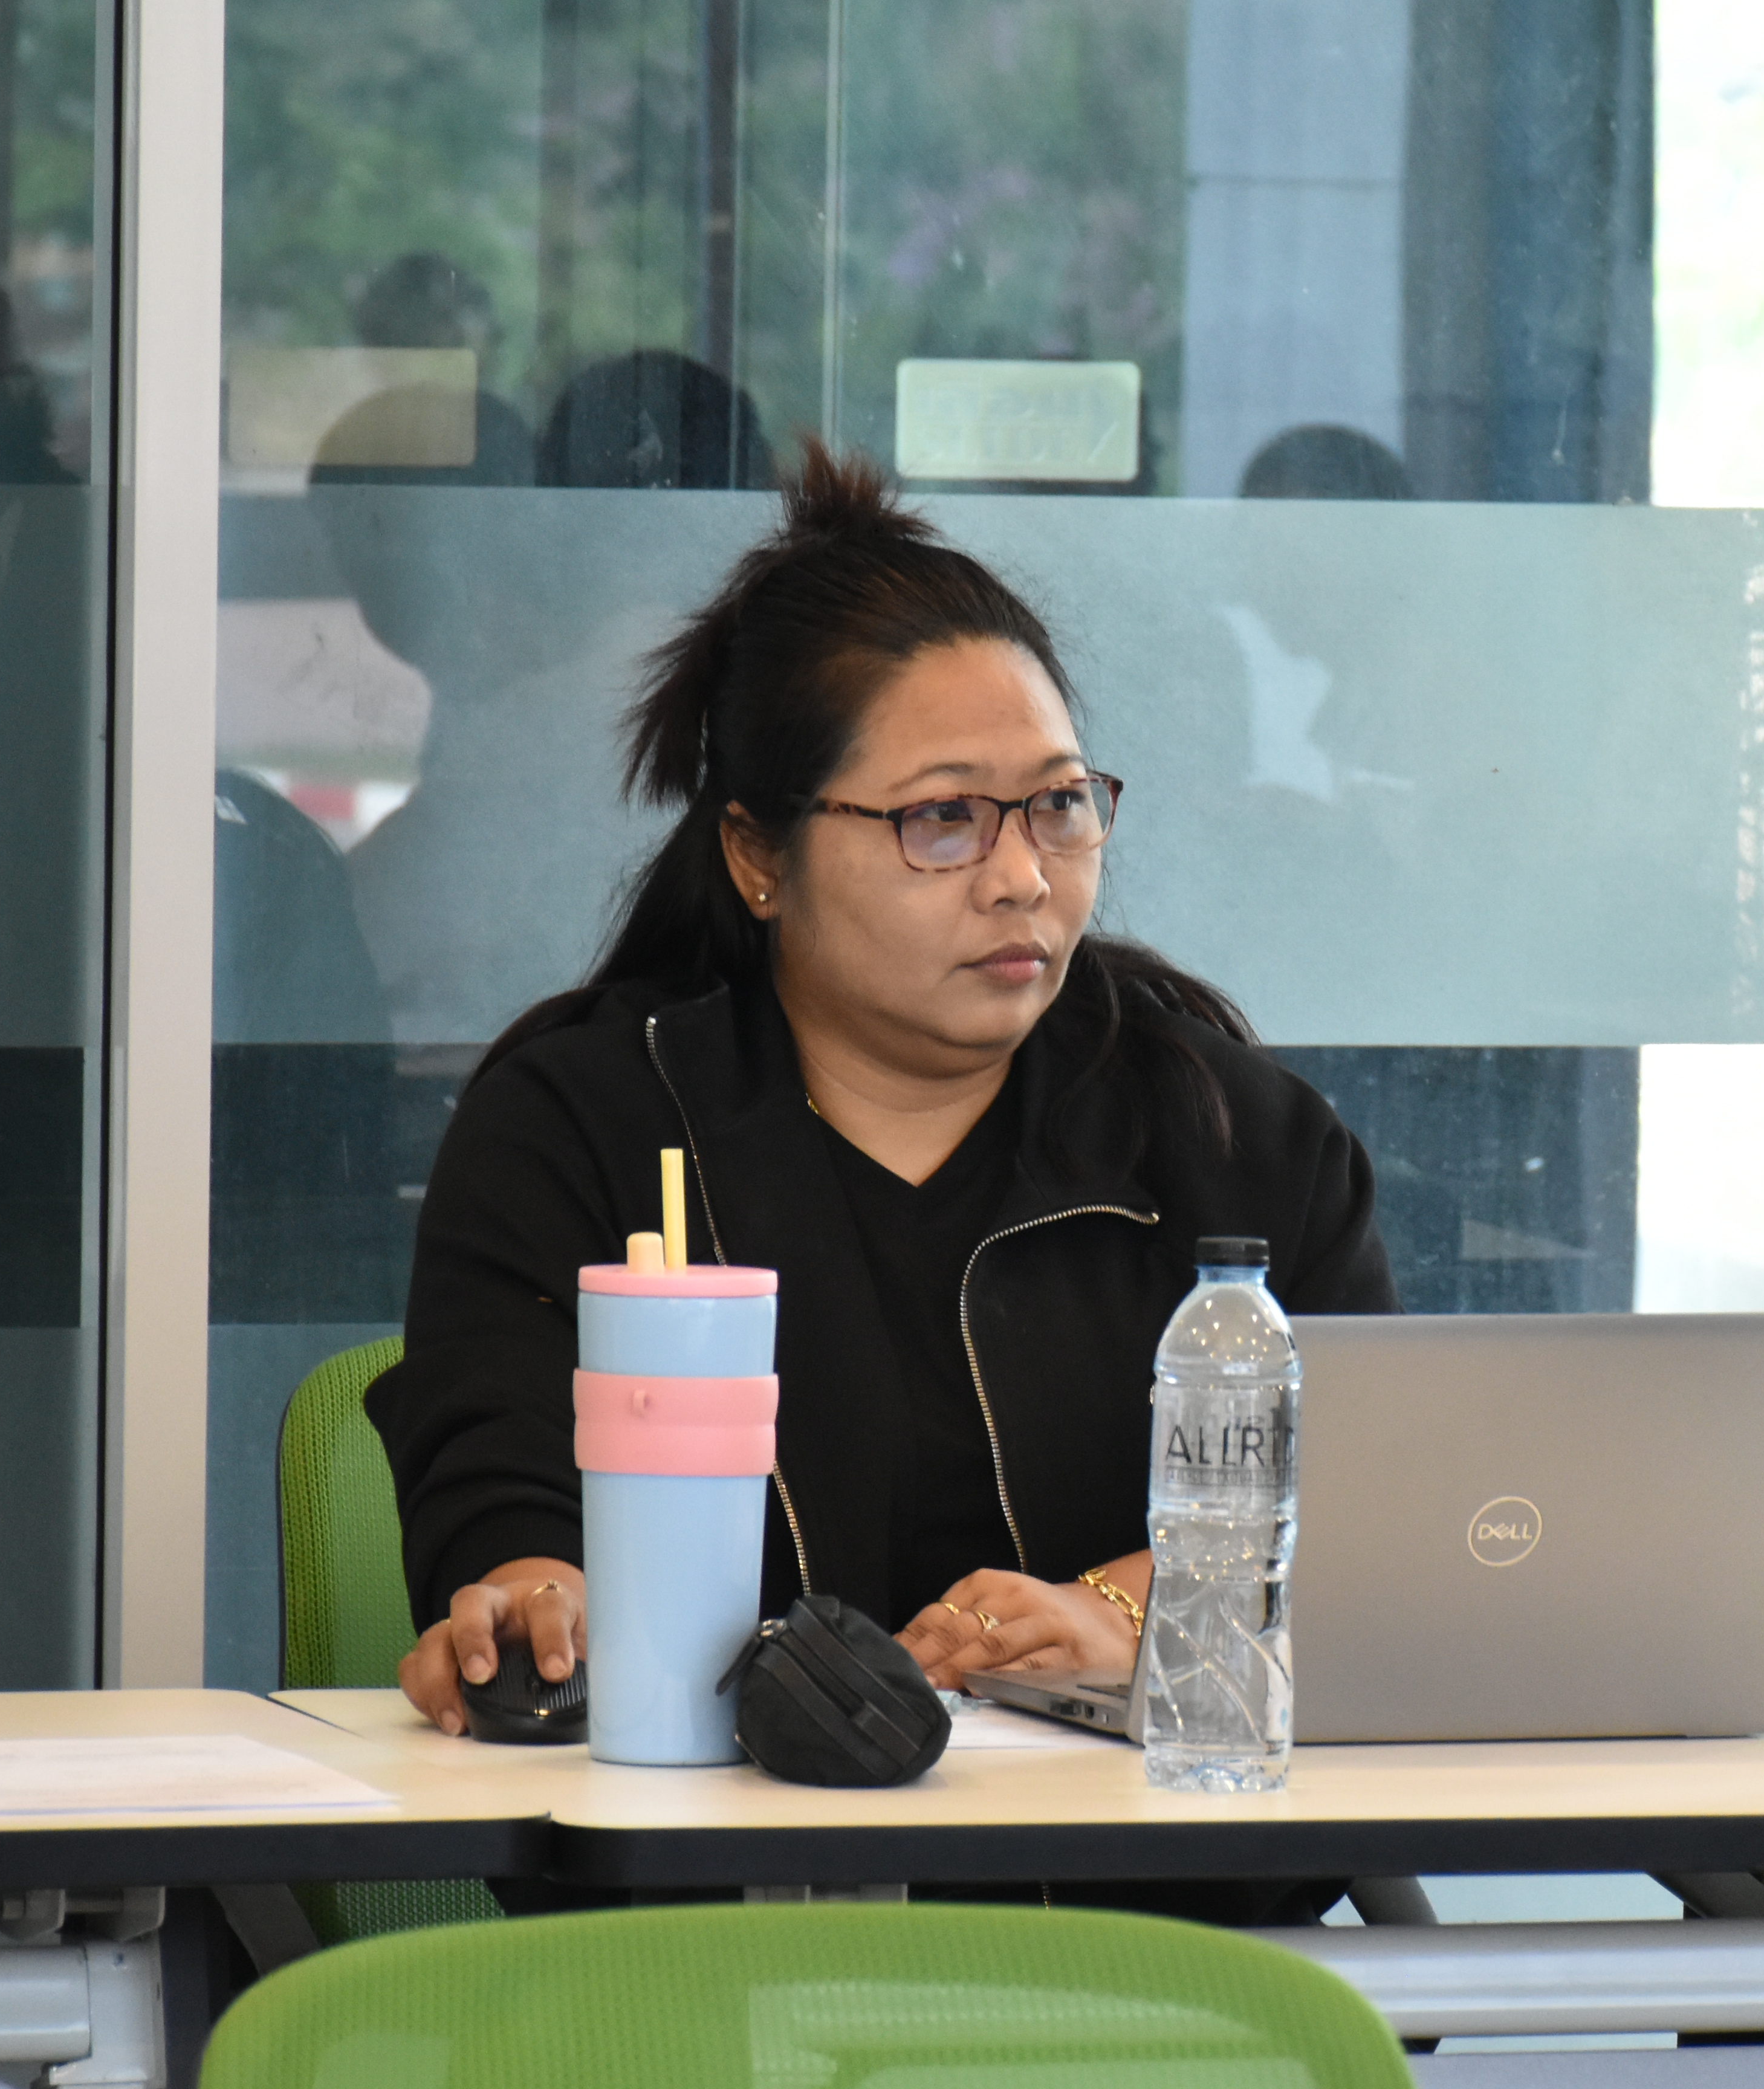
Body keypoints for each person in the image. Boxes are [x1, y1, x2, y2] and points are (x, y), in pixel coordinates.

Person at [367, 441, 1396, 1746]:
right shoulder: (582, 1131)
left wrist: (1138, 1611)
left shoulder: (1231, 1136)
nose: (1023, 877)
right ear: (758, 854)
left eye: (1059, 805)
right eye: (944, 819)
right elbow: (502, 1499)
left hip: (1142, 1852)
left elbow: (1388, 1517)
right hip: (720, 1852)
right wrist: (533, 1607)